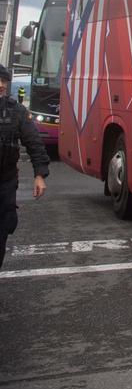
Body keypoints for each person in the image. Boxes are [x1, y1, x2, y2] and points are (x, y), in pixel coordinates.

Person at [1, 63, 49, 269]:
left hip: (5, 182)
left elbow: (34, 143)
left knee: (3, 229)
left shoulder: (16, 111)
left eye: (4, 81)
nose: (1, 85)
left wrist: (40, 175)